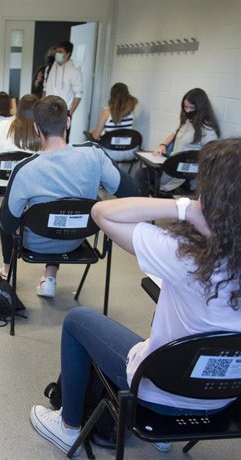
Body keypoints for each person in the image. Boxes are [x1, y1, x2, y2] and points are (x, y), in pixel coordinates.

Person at [30, 138, 241, 456]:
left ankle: (68, 425)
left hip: (159, 392)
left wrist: (183, 207)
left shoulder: (183, 255)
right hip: (226, 398)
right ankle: (164, 436)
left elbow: (102, 212)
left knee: (77, 319)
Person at [0, 96, 135, 295]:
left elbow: (8, 224)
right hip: (77, 238)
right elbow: (131, 192)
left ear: (36, 128)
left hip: (36, 242)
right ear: (68, 122)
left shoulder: (24, 169)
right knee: (65, 209)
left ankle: (7, 271)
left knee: (12, 211)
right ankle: (50, 275)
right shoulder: (94, 155)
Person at [139, 88, 220, 194]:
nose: (187, 111)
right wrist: (163, 145)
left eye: (192, 108)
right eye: (185, 107)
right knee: (143, 173)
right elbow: (174, 133)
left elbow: (211, 154)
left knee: (141, 174)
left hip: (183, 175)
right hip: (172, 167)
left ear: (201, 108)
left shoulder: (207, 129)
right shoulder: (187, 121)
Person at [0, 94, 41, 228]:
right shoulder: (40, 130)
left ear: (18, 109)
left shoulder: (3, 125)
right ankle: (24, 213)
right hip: (27, 183)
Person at [89, 82, 139, 162]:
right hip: (129, 152)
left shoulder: (106, 113)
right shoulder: (131, 112)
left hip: (109, 152)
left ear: (112, 96)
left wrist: (91, 132)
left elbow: (95, 136)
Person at [43, 41, 83, 140]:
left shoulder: (74, 71)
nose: (57, 54)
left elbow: (78, 94)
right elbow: (45, 88)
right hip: (48, 108)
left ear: (68, 54)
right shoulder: (49, 68)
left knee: (62, 139)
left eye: (60, 51)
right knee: (45, 137)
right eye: (56, 51)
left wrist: (70, 113)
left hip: (64, 110)